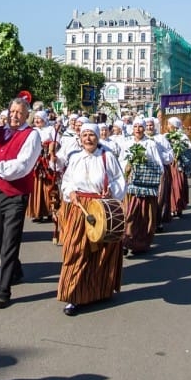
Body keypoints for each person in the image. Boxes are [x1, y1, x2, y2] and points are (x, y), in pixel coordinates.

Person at [0, 98, 41, 309]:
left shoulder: (32, 135)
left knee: (11, 241)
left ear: (26, 115)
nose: (14, 115)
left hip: (15, 194)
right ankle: (16, 269)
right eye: (12, 111)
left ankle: (3, 290)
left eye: (19, 113)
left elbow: (22, 166)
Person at [57, 123, 126, 315]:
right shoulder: (76, 158)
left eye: (91, 135)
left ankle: (98, 292)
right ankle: (72, 295)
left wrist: (112, 191)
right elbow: (68, 180)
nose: (88, 138)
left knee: (100, 252)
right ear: (80, 138)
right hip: (79, 209)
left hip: (101, 208)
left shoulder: (107, 157)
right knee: (75, 250)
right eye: (85, 135)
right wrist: (69, 191)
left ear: (98, 138)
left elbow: (119, 180)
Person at [121, 120, 163, 256]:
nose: (138, 129)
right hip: (130, 185)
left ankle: (140, 243)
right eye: (135, 127)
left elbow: (158, 163)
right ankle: (126, 241)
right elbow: (121, 160)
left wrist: (145, 163)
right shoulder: (127, 143)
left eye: (140, 127)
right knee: (129, 214)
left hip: (145, 185)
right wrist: (126, 168)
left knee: (145, 215)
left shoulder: (150, 144)